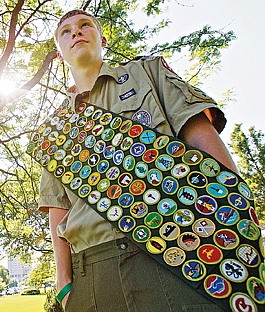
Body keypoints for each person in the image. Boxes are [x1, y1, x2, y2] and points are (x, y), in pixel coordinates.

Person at [38, 10, 238, 312]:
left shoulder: (149, 73)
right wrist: (64, 282)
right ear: (59, 53)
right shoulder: (55, 128)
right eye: (65, 31)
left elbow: (204, 143)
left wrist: (234, 226)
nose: (75, 33)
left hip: (176, 253)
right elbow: (58, 208)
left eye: (84, 26)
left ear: (102, 39)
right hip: (93, 272)